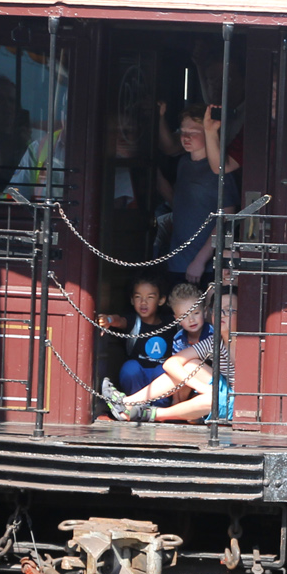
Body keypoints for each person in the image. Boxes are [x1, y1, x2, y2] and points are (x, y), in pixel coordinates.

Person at [98, 283, 235, 423]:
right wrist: (203, 388)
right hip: (215, 388)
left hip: (238, 401)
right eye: (219, 310)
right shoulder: (213, 341)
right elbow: (172, 363)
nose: (222, 315)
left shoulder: (248, 342)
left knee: (212, 398)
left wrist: (206, 392)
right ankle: (128, 402)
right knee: (190, 365)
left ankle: (150, 414)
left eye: (230, 310)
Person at [165, 104, 241, 284]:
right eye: (182, 131)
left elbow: (226, 218)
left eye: (193, 132)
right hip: (177, 260)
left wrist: (200, 260)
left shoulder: (220, 170)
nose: (185, 137)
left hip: (204, 265)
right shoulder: (183, 163)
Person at [103, 274, 175, 408]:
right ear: (131, 300)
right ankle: (136, 405)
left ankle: (159, 407)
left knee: (164, 369)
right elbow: (120, 321)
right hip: (138, 377)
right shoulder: (133, 321)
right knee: (130, 367)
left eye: (150, 297)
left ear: (161, 300)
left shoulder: (170, 322)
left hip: (161, 379)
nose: (143, 302)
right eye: (138, 297)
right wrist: (109, 320)